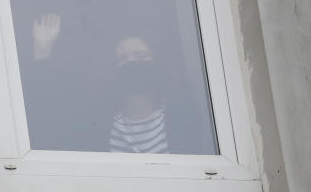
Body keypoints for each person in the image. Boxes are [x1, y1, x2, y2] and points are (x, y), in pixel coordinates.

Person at [31, 13, 201, 154]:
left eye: (141, 56)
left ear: (157, 61)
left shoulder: (180, 113)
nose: (132, 63)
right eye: (123, 59)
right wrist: (42, 50)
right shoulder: (100, 122)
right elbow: (53, 116)